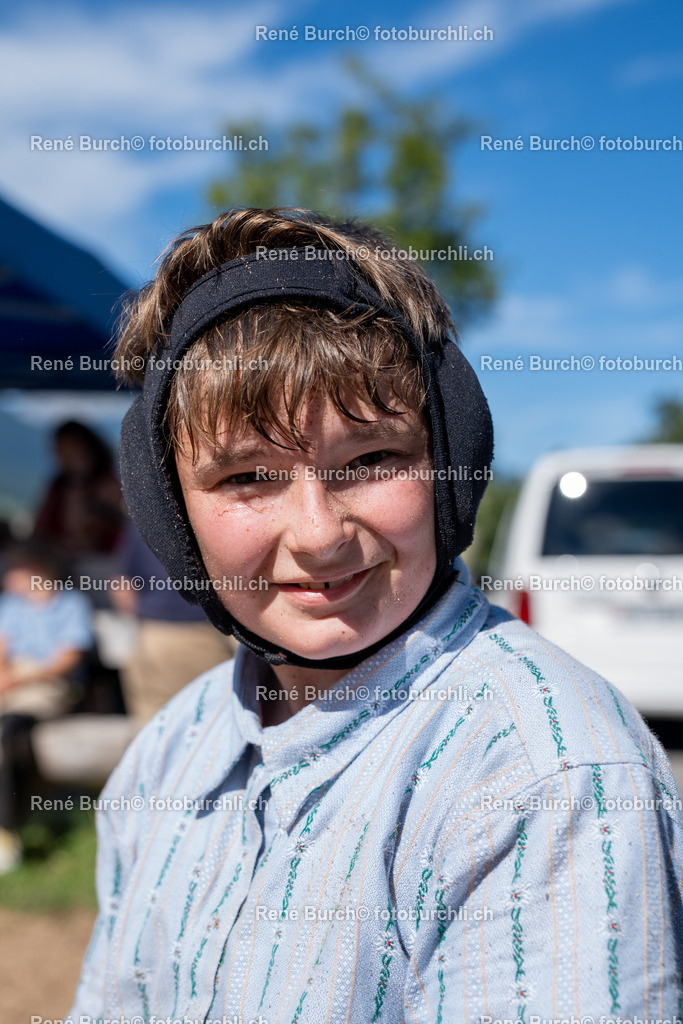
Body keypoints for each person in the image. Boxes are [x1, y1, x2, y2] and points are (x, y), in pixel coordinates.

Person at [69, 208, 683, 1023]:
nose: (319, 536)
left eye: (370, 459)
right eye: (248, 476)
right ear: (169, 512)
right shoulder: (164, 759)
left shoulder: (542, 778)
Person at [0, 543, 93, 871]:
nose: (9, 576)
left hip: (46, 683)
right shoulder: (11, 605)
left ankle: (7, 828)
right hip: (13, 679)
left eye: (16, 569)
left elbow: (68, 659)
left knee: (10, 730)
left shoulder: (70, 604)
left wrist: (19, 680)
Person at [112, 519, 237, 723]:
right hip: (198, 631)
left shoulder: (142, 518)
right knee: (208, 716)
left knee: (153, 720)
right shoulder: (209, 518)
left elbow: (122, 586)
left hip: (152, 634)